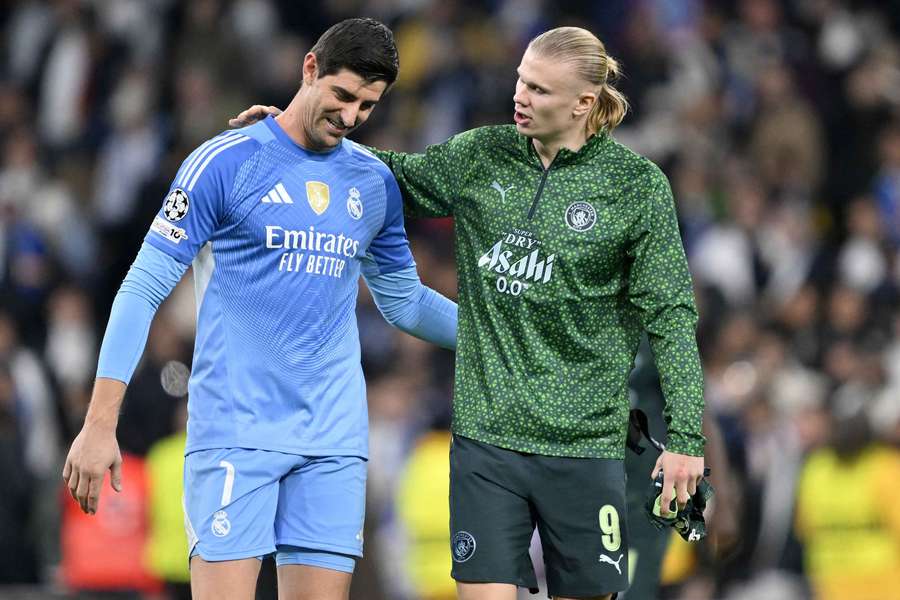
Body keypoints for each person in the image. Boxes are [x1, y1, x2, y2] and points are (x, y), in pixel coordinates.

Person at [232, 26, 706, 600]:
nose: (520, 97)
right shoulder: (481, 155)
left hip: (585, 444)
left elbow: (673, 317)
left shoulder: (636, 187)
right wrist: (292, 131)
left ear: (584, 103)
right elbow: (391, 175)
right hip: (487, 441)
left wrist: (686, 439)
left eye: (539, 90)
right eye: (520, 81)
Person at [62, 18, 457, 600]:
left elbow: (403, 301)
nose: (350, 117)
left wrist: (497, 334)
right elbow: (141, 288)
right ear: (310, 69)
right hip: (234, 432)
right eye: (342, 96)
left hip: (333, 439)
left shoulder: (372, 183)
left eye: (367, 106)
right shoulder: (224, 162)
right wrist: (99, 425)